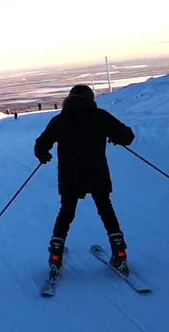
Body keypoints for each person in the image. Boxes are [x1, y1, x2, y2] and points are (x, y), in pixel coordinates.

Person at [34, 85, 135, 275]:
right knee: (106, 210)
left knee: (66, 212)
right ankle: (119, 253)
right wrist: (116, 138)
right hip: (97, 173)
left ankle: (56, 255)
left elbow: (41, 144)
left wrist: (43, 155)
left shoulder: (60, 120)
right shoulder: (100, 116)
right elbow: (128, 136)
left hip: (69, 175)